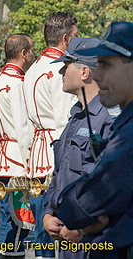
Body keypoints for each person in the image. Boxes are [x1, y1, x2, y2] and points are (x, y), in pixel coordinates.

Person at [57, 21, 133, 259]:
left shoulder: (129, 135)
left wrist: (81, 211)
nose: (97, 75)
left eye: (106, 65)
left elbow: (79, 203)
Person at [42, 37, 117, 258]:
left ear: (84, 72)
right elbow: (61, 171)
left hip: (93, 238)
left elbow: (110, 183)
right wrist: (48, 212)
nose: (60, 73)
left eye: (66, 67)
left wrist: (83, 228)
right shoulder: (76, 116)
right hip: (66, 232)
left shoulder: (109, 118)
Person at [22, 11, 78, 258]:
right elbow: (64, 120)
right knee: (59, 230)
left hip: (36, 152)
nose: (78, 40)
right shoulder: (60, 69)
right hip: (54, 154)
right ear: (65, 38)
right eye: (76, 36)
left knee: (42, 233)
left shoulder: (32, 68)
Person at [0, 33, 35, 259]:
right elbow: (23, 127)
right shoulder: (17, 83)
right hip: (17, 159)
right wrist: (31, 163)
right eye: (32, 50)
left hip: (1, 157)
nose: (34, 54)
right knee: (18, 222)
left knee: (7, 219)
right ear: (23, 53)